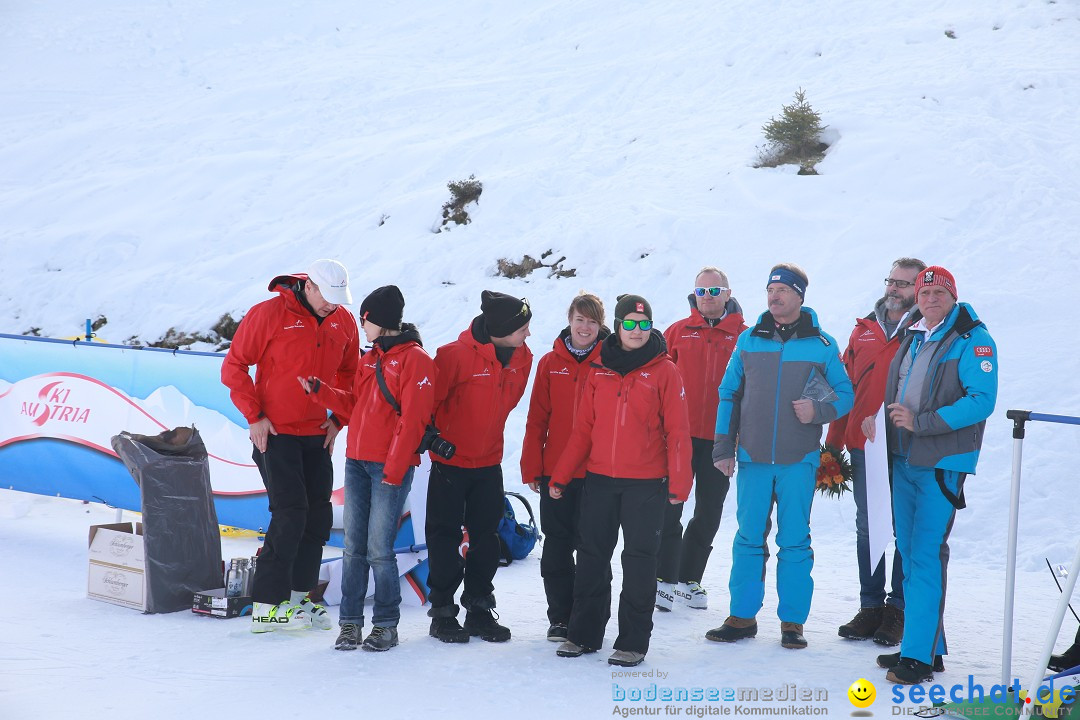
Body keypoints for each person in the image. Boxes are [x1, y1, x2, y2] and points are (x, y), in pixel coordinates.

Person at [706, 263, 853, 650]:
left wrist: (817, 411)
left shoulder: (822, 345)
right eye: (770, 290)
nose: (775, 296)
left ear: (800, 296)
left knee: (794, 541)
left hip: (798, 459)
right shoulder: (749, 341)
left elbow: (845, 394)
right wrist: (723, 448)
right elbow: (728, 395)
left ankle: (792, 622)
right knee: (748, 538)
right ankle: (742, 617)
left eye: (783, 290)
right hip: (752, 458)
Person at [867, 266, 997, 684]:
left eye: (940, 292)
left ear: (953, 296)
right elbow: (900, 396)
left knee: (923, 554)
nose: (930, 298)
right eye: (925, 293)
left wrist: (922, 422)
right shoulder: (914, 335)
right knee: (911, 553)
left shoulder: (972, 339)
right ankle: (925, 647)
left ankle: (919, 658)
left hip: (940, 464)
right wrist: (878, 421)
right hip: (903, 459)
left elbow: (981, 401)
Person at [549, 294, 692, 668]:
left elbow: (678, 432)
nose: (637, 331)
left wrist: (680, 483)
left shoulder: (664, 371)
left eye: (644, 324)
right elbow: (582, 431)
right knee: (593, 556)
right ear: (617, 325)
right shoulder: (598, 369)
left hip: (646, 484)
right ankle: (583, 635)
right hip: (599, 480)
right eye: (629, 324)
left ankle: (632, 641)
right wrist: (562, 474)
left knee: (640, 561)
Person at [221, 259, 360, 632]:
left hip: (317, 433)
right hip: (276, 433)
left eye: (338, 298)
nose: (333, 305)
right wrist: (254, 416)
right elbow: (234, 367)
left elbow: (351, 375)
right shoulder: (268, 314)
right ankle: (267, 604)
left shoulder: (342, 321)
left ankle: (300, 600)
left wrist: (338, 419)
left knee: (317, 517)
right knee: (290, 513)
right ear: (309, 286)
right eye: (328, 297)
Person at [301, 285, 434, 652]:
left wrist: (393, 470)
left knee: (379, 548)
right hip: (357, 462)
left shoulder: (417, 360)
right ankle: (350, 625)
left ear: (378, 320)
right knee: (354, 548)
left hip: (389, 468)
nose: (362, 326)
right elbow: (355, 403)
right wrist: (322, 392)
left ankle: (386, 625)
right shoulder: (370, 358)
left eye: (365, 319)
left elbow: (413, 421)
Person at [827, 258, 926, 647]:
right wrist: (833, 443)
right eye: (891, 281)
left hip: (906, 444)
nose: (894, 289)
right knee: (869, 525)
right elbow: (844, 388)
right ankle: (870, 607)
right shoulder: (863, 331)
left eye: (903, 284)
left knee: (904, 526)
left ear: (918, 290)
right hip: (864, 443)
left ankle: (897, 610)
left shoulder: (925, 330)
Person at [425, 290, 533, 644]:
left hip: (488, 463)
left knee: (487, 541)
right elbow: (425, 405)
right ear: (501, 329)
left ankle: (479, 609)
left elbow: (508, 402)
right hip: (449, 465)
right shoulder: (452, 356)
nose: (528, 335)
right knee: (444, 540)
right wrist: (433, 439)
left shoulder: (522, 357)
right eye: (522, 329)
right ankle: (442, 613)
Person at [520, 293, 610, 642]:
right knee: (557, 547)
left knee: (592, 548)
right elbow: (536, 418)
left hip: (597, 472)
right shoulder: (548, 362)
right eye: (580, 319)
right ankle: (560, 616)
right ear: (569, 319)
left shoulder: (610, 360)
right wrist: (532, 466)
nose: (585, 327)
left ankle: (589, 617)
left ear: (600, 326)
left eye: (592, 321)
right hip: (555, 470)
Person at [656, 267, 746, 612]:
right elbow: (658, 382)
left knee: (709, 511)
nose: (707, 297)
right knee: (669, 507)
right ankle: (663, 578)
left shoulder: (745, 336)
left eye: (714, 290)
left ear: (727, 292)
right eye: (701, 291)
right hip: (678, 436)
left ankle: (688, 578)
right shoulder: (677, 332)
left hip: (721, 439)